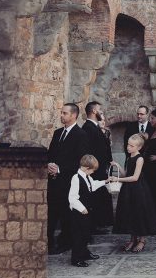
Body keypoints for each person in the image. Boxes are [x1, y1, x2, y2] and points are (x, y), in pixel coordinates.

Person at [47, 103, 88, 255]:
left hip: (69, 181)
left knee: (66, 213)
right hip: (53, 180)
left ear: (74, 115)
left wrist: (60, 169)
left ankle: (65, 243)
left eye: (65, 113)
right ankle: (48, 242)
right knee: (51, 212)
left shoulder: (81, 135)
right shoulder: (58, 133)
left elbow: (81, 161)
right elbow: (51, 153)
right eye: (61, 113)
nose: (62, 115)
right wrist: (50, 165)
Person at [109, 134, 156, 252]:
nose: (128, 147)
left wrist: (118, 180)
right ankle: (132, 239)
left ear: (139, 147)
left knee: (140, 214)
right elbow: (126, 174)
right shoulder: (129, 157)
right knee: (131, 213)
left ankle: (141, 240)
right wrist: (117, 166)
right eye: (128, 144)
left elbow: (135, 177)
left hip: (138, 190)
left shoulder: (140, 159)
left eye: (131, 146)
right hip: (129, 190)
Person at [68, 155, 106, 267]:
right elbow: (72, 198)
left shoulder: (87, 177)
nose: (93, 172)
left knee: (86, 234)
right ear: (86, 167)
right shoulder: (76, 178)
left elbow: (93, 186)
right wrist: (82, 208)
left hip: (87, 212)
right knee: (78, 235)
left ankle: (84, 253)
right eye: (92, 170)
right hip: (78, 213)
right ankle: (76, 258)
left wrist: (105, 181)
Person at [81, 101, 113, 232]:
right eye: (100, 110)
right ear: (94, 111)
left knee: (101, 194)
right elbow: (93, 149)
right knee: (96, 195)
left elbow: (104, 146)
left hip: (100, 167)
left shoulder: (95, 127)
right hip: (95, 168)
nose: (101, 112)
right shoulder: (88, 128)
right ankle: (96, 223)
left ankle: (101, 222)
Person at [143, 108, 156, 225]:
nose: (150, 120)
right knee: (151, 192)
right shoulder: (153, 131)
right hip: (150, 169)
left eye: (152, 118)